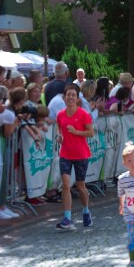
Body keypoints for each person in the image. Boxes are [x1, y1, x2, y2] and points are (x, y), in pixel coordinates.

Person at [54, 83, 94, 230]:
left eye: (73, 95)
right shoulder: (60, 114)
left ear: (77, 98)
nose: (70, 97)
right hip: (65, 153)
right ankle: (67, 218)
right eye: (68, 95)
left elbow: (91, 133)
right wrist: (59, 136)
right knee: (65, 185)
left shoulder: (83, 114)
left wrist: (76, 132)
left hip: (81, 154)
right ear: (64, 97)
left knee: (80, 185)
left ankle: (86, 211)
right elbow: (59, 129)